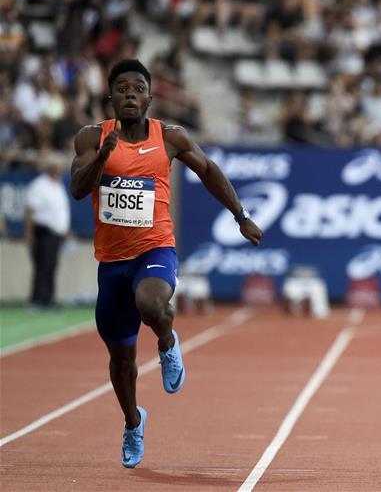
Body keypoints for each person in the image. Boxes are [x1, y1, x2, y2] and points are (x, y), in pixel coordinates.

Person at [70, 59, 263, 468]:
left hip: (156, 249)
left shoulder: (170, 137)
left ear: (149, 96)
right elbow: (76, 188)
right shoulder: (91, 137)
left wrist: (241, 216)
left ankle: (166, 342)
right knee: (121, 360)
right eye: (121, 88)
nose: (129, 95)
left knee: (152, 304)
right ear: (110, 97)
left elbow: (209, 171)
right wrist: (101, 158)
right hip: (112, 262)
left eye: (137, 88)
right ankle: (133, 420)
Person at [24, 155, 70, 310]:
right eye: (57, 169)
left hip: (55, 234)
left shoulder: (57, 185)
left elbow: (60, 211)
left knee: (51, 266)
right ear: (50, 170)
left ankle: (48, 299)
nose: (60, 172)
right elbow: (30, 210)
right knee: (42, 266)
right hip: (43, 232)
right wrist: (29, 234)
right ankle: (38, 300)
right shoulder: (39, 185)